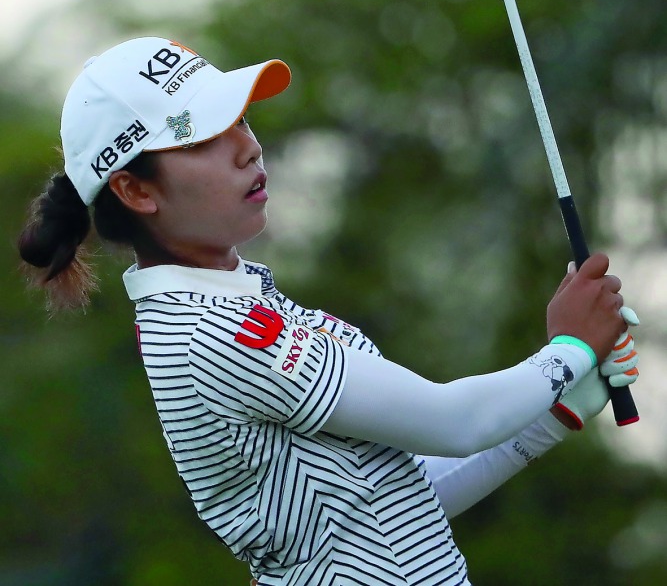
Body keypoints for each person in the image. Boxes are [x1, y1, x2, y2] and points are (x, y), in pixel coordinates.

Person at [19, 36, 640, 586]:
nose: (247, 148)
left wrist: (555, 410)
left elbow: (392, 510)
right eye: (205, 137)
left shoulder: (234, 299)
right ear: (135, 189)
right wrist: (568, 350)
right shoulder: (210, 332)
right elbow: (456, 421)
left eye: (240, 119)